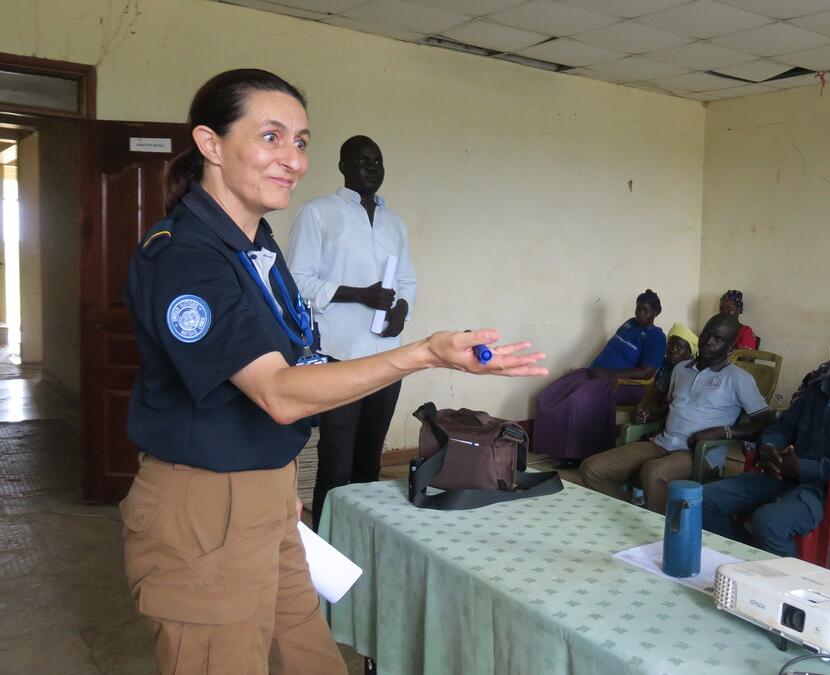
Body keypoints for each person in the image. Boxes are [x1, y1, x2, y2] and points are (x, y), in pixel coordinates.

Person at [119, 69, 546, 675]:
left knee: (313, 655)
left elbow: (297, 353)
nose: (291, 159)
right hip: (205, 507)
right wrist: (422, 353)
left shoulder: (258, 245)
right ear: (210, 144)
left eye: (300, 141)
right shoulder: (185, 256)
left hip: (267, 494)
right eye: (271, 137)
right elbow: (276, 393)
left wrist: (279, 486)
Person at [287, 134, 419, 528]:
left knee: (370, 457)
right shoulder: (319, 213)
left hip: (385, 356)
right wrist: (359, 295)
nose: (372, 169)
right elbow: (298, 281)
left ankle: (363, 535)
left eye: (377, 162)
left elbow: (408, 279)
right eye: (363, 161)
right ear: (344, 167)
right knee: (336, 458)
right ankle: (327, 538)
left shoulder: (394, 222)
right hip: (339, 355)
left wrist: (403, 310)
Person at [701, 324, 830, 556]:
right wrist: (769, 447)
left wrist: (806, 467)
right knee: (702, 500)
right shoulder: (818, 389)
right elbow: (783, 426)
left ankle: (789, 583)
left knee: (768, 523)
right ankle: (749, 557)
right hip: (785, 474)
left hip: (829, 490)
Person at [580, 314, 769, 513]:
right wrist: (649, 416)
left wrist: (723, 432)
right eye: (706, 334)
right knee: (592, 469)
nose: (708, 341)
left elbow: (763, 422)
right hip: (662, 443)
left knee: (653, 473)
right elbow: (671, 409)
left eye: (718, 339)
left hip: (701, 453)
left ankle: (665, 534)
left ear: (730, 348)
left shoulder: (738, 378)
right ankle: (633, 515)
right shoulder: (680, 369)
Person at [532, 290, 666, 468]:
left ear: (655, 313)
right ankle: (553, 449)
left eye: (646, 310)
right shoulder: (629, 324)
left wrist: (607, 374)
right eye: (638, 308)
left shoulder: (656, 337)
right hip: (594, 375)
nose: (640, 313)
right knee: (548, 395)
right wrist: (598, 372)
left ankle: (577, 456)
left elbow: (646, 372)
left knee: (578, 400)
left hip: (623, 385)